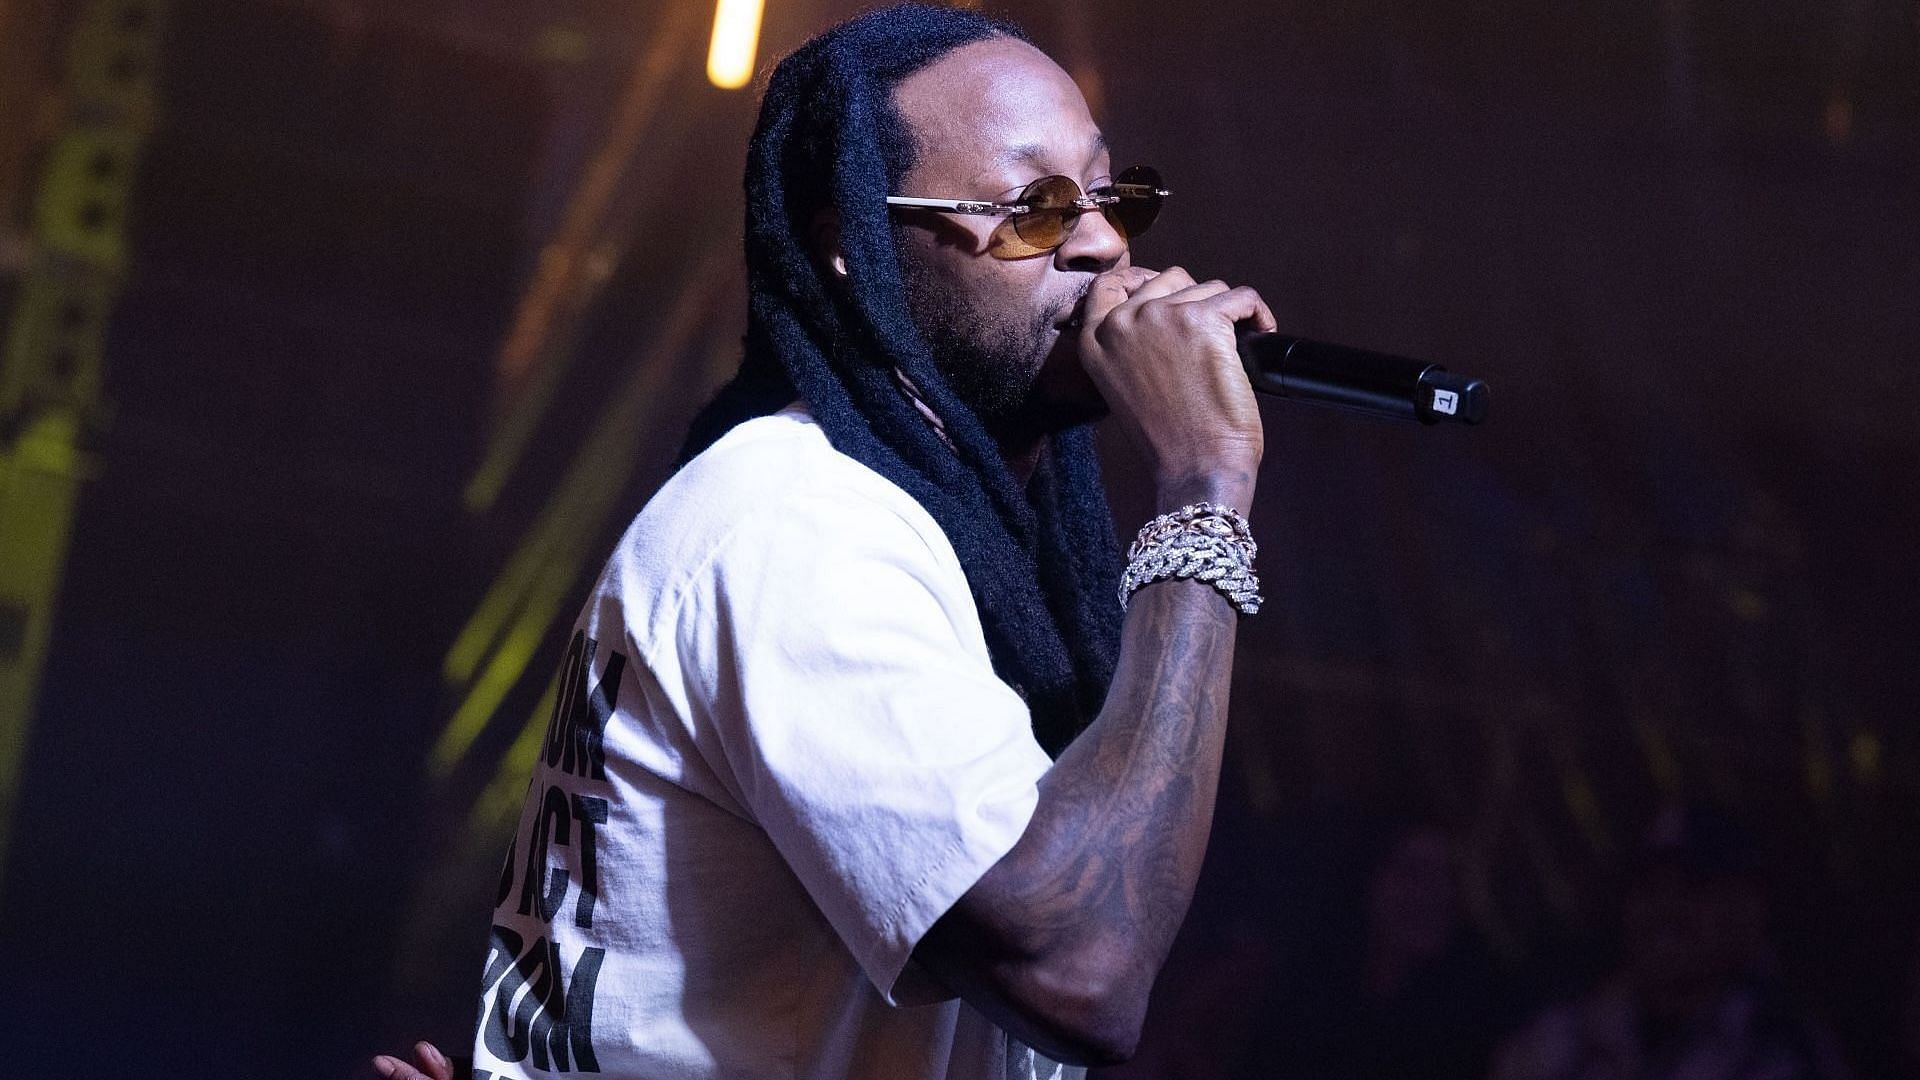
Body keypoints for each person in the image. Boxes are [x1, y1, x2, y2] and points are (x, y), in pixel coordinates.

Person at [377, 4, 1275, 1077]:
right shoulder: (794, 527)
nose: (1103, 240)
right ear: (854, 248)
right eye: (1033, 206)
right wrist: (1205, 486)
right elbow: (1079, 969)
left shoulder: (957, 538)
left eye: (1108, 192)